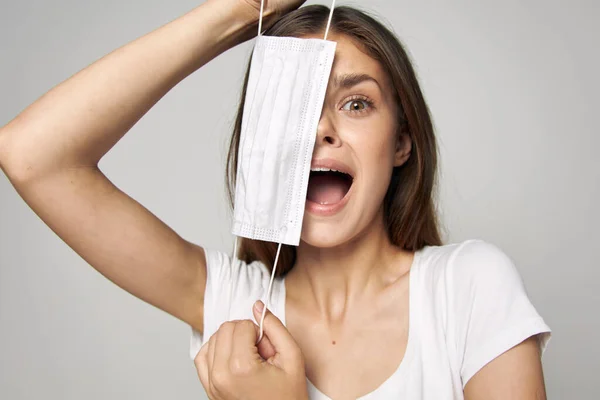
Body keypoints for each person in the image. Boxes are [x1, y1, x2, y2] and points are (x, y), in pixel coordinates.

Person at [0, 0, 551, 398]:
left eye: (356, 104)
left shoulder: (469, 286)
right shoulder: (231, 306)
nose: (320, 130)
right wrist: (234, 13)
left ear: (402, 142)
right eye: (293, 108)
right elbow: (32, 154)